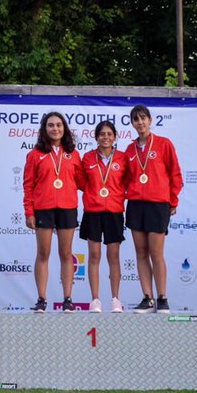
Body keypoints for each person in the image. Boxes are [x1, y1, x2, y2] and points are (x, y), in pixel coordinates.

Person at [122, 104, 182, 314]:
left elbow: (175, 174)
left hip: (158, 203)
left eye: (143, 118)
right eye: (136, 120)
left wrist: (172, 201)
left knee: (156, 253)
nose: (140, 123)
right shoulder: (129, 150)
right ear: (132, 124)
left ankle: (162, 297)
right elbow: (125, 179)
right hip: (136, 204)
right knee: (140, 252)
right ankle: (147, 297)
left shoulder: (164, 144)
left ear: (150, 120)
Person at [23, 112, 83, 313]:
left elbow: (82, 182)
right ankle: (41, 299)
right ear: (44, 129)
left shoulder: (73, 154)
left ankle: (68, 298)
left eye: (59, 125)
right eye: (50, 125)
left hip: (67, 207)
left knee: (66, 254)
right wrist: (29, 212)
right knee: (43, 253)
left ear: (64, 128)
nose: (55, 128)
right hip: (44, 208)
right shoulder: (35, 155)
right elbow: (28, 185)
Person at [77, 120, 127, 313]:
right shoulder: (88, 158)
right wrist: (95, 194)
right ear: (96, 137)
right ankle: (95, 300)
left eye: (109, 134)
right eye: (102, 134)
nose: (105, 137)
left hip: (114, 212)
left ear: (115, 137)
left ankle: (115, 299)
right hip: (93, 211)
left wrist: (114, 194)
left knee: (113, 256)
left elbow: (128, 181)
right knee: (94, 255)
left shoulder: (122, 158)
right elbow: (81, 181)